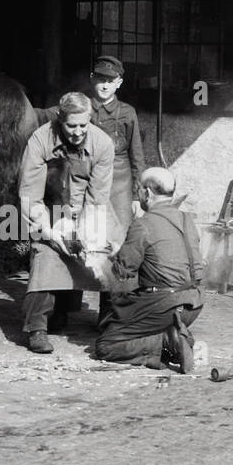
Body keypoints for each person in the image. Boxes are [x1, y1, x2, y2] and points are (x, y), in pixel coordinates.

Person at [18, 91, 117, 354]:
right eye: (71, 126)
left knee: (111, 254)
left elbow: (98, 199)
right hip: (51, 209)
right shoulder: (40, 140)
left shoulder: (103, 144)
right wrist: (50, 232)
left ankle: (109, 322)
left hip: (89, 210)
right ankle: (37, 327)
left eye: (83, 125)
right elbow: (30, 196)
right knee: (45, 256)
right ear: (60, 120)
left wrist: (85, 235)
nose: (77, 132)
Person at [95, 166, 203, 373]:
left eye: (139, 191)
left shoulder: (143, 224)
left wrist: (116, 254)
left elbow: (123, 272)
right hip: (195, 304)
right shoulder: (188, 220)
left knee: (106, 345)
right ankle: (173, 334)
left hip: (165, 305)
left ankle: (166, 341)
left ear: (147, 192)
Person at [88, 55, 146, 324]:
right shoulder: (83, 108)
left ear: (119, 83)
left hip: (119, 182)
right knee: (81, 238)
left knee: (116, 245)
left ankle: (109, 315)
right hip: (87, 180)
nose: (104, 85)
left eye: (110, 80)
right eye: (100, 79)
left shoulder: (127, 113)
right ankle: (63, 308)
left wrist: (136, 195)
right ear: (93, 79)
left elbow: (137, 156)